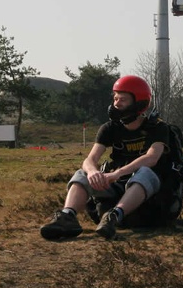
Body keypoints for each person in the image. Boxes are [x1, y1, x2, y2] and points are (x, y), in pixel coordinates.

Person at [40, 75, 172, 241]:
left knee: (145, 172)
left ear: (138, 102)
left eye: (123, 99)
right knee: (82, 173)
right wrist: (93, 172)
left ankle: (114, 216)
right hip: (115, 184)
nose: (117, 103)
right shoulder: (109, 128)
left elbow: (152, 158)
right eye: (115, 98)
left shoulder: (158, 127)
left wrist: (117, 174)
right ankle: (67, 217)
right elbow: (90, 159)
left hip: (149, 188)